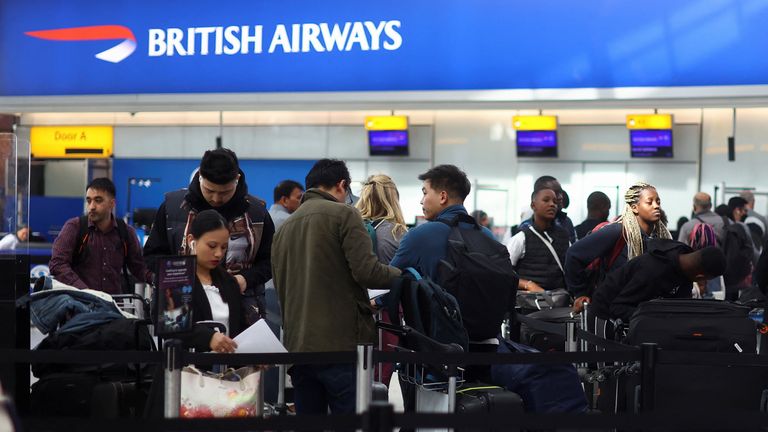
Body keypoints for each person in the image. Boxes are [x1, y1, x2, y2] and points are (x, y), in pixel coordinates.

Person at [271, 159, 400, 416]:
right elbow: (367, 272)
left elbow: (279, 284)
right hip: (340, 345)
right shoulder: (345, 215)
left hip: (299, 347)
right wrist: (402, 275)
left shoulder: (284, 228)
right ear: (341, 185)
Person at [144, 148, 274, 322]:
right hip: (182, 309)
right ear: (199, 176)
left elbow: (271, 261)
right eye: (209, 190)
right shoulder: (172, 208)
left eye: (224, 192)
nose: (216, 198)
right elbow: (152, 256)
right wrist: (179, 276)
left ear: (237, 179)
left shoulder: (257, 213)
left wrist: (245, 279)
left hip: (243, 309)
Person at [565, 182, 672, 313]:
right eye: (649, 202)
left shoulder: (660, 238)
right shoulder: (617, 231)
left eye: (658, 202)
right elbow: (573, 254)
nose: (656, 206)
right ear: (634, 207)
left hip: (643, 311)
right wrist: (580, 293)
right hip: (611, 311)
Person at [49, 178, 152, 295]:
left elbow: (138, 267)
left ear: (112, 204)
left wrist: (157, 280)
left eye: (98, 200)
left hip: (114, 304)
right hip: (79, 304)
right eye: (89, 201)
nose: (91, 207)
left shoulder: (126, 232)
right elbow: (57, 264)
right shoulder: (75, 227)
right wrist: (85, 291)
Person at [355, 174, 408, 387]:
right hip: (388, 312)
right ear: (393, 198)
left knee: (357, 370)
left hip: (355, 308)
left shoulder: (351, 228)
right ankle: (376, 416)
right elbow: (405, 277)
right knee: (381, 373)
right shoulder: (399, 232)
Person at [591, 241, 726, 324]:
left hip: (633, 318)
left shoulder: (684, 268)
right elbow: (618, 307)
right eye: (705, 280)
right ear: (700, 276)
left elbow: (680, 306)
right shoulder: (652, 271)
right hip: (604, 319)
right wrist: (657, 318)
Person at [173, 209, 244, 352]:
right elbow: (170, 326)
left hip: (227, 370)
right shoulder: (175, 277)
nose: (219, 254)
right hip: (187, 370)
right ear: (191, 240)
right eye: (212, 246)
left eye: (224, 248)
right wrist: (207, 337)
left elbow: (240, 328)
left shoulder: (229, 281)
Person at [506, 188, 570, 292]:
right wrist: (528, 284)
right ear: (533, 205)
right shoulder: (521, 238)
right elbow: (503, 272)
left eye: (555, 201)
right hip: (530, 304)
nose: (552, 204)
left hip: (560, 302)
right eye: (546, 200)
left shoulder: (564, 236)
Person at [518, 176, 577, 243]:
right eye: (556, 193)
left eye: (561, 192)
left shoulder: (566, 221)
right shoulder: (526, 227)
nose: (561, 197)